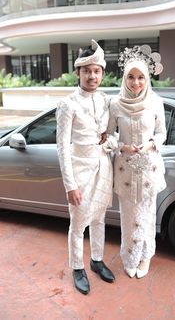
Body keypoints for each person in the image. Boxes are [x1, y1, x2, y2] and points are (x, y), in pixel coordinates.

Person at [56, 39, 116, 295]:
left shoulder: (105, 100)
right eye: (87, 70)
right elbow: (61, 147)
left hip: (104, 169)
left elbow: (113, 136)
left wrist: (109, 140)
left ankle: (97, 260)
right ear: (78, 72)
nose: (92, 76)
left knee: (99, 219)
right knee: (78, 223)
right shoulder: (68, 104)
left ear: (102, 73)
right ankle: (78, 267)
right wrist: (70, 185)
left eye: (97, 71)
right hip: (80, 174)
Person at [106, 45, 167, 279]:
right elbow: (109, 134)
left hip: (149, 169)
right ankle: (129, 257)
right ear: (124, 78)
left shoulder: (156, 102)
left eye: (141, 77)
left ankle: (145, 257)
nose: (136, 82)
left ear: (147, 78)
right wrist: (122, 146)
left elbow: (162, 133)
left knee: (147, 216)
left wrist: (151, 144)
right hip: (124, 169)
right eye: (131, 77)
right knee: (128, 216)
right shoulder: (115, 104)